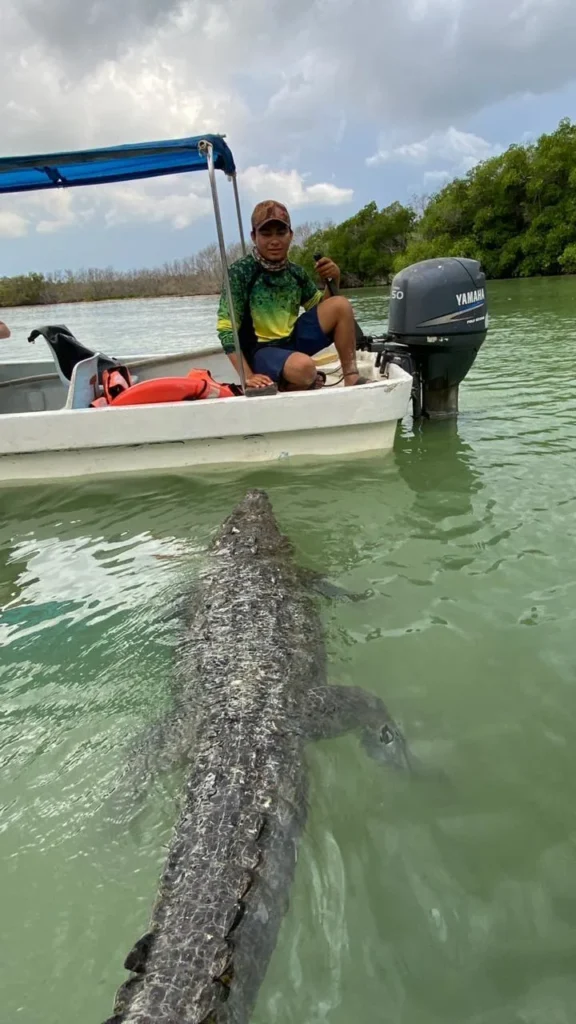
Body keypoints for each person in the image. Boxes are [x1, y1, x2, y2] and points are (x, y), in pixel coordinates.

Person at [216, 200, 367, 390]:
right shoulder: (240, 273)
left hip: (292, 342)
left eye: (281, 233)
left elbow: (320, 308)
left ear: (290, 235)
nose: (274, 241)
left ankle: (351, 376)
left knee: (340, 305)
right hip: (261, 351)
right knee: (305, 368)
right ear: (254, 236)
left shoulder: (296, 273)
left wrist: (333, 279)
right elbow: (226, 330)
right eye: (266, 234)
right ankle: (292, 382)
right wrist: (248, 376)